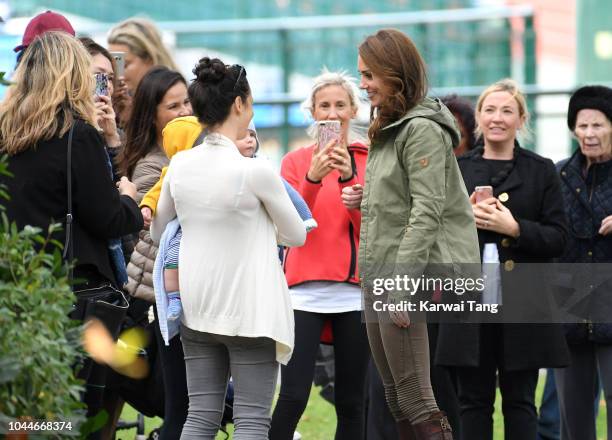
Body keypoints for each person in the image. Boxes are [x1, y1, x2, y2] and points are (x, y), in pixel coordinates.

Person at [151, 57, 306, 438]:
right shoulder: (254, 170)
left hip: (196, 305)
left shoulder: (181, 164)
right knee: (253, 419)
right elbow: (296, 234)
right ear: (239, 105)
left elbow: (159, 233)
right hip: (250, 309)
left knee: (200, 415)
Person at [0, 31, 142, 432]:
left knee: (24, 418)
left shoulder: (5, 134)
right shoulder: (76, 135)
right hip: (73, 298)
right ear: (72, 75)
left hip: (16, 296)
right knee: (73, 419)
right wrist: (129, 198)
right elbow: (109, 218)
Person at [356, 28, 480, 439]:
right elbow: (401, 202)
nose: (363, 85)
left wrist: (402, 284)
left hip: (403, 275)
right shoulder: (388, 124)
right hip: (379, 271)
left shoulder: (420, 128)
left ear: (396, 74)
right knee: (396, 396)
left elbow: (427, 212)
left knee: (416, 398)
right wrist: (364, 199)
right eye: (362, 74)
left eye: (370, 75)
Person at [435, 79, 570, 440]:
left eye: (507, 111)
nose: (498, 118)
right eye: (490, 110)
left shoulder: (541, 170)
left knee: (521, 400)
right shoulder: (457, 170)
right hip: (467, 299)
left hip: (524, 300)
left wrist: (515, 228)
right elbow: (437, 235)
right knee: (472, 401)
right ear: (478, 117)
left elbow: (558, 237)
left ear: (521, 119)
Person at [269, 70, 370, 440]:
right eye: (324, 105)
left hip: (354, 294)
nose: (332, 112)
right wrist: (312, 178)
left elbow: (371, 233)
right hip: (303, 294)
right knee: (294, 396)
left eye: (340, 105)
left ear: (353, 110)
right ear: (312, 111)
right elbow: (290, 228)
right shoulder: (295, 163)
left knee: (352, 400)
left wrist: (348, 179)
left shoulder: (368, 159)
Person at [116, 65, 191, 439]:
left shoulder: (191, 155)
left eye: (188, 102)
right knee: (180, 402)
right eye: (172, 106)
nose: (184, 112)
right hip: (160, 297)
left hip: (178, 291)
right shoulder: (153, 167)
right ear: (153, 115)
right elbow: (146, 232)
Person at [554, 85, 612, 440]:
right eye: (582, 126)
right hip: (569, 307)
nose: (589, 134)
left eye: (598, 125)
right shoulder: (558, 175)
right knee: (573, 417)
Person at [107, 17, 177, 125]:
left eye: (124, 65)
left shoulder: (175, 97)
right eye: (112, 66)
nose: (117, 74)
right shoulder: (115, 102)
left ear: (149, 59)